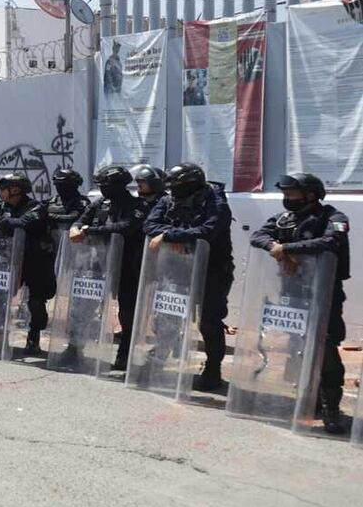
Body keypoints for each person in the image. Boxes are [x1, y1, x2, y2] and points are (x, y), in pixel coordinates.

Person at [250, 173, 350, 434]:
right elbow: (258, 236)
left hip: (323, 294)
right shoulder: (284, 219)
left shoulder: (333, 217)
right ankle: (310, 399)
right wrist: (274, 246)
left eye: (291, 194)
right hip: (293, 293)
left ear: (310, 195)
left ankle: (331, 408)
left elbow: (331, 241)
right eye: (284, 194)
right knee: (299, 347)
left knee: (325, 349)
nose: (286, 198)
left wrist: (288, 250)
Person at [144, 162, 234, 392]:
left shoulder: (215, 200)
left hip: (212, 270)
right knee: (168, 315)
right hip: (176, 268)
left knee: (209, 322)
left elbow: (209, 229)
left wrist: (171, 236)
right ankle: (158, 361)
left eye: (176, 185)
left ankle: (213, 369)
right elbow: (150, 224)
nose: (172, 190)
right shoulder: (168, 200)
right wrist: (173, 236)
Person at [70, 165, 149, 370]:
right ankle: (74, 346)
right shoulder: (101, 203)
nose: (102, 189)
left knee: (127, 311)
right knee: (84, 304)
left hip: (127, 265)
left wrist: (89, 230)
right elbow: (81, 220)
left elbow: (125, 227)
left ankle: (124, 354)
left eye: (105, 185)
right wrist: (75, 228)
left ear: (118, 185)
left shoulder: (138, 205)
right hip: (99, 262)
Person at [0, 172, 56, 354]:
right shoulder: (0, 207)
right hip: (8, 259)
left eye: (2, 188)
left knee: (35, 302)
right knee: (0, 298)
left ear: (15, 190)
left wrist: (0, 221)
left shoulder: (35, 207)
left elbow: (24, 222)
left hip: (34, 261)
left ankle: (33, 338)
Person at [46, 168, 89, 232]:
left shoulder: (82, 202)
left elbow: (74, 217)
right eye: (58, 185)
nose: (60, 188)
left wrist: (49, 216)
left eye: (63, 185)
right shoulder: (52, 201)